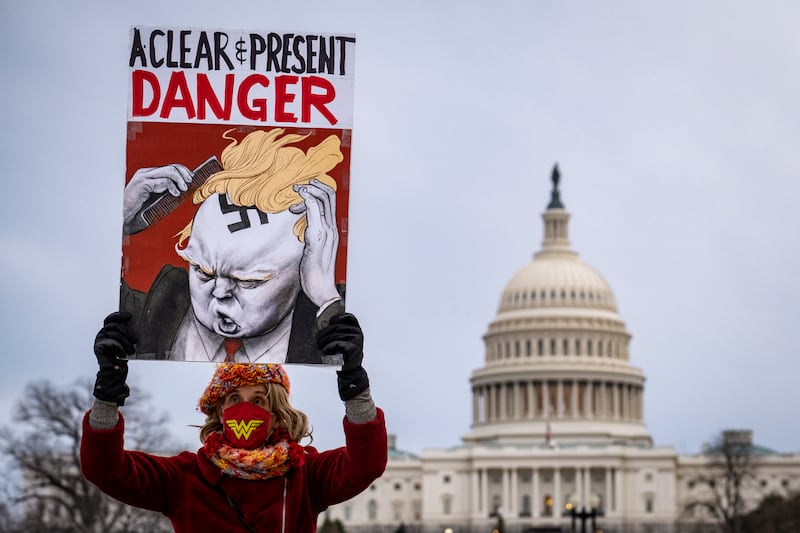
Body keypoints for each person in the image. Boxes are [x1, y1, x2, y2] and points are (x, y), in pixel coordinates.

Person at [81, 310, 386, 532]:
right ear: (218, 412)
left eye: (258, 400)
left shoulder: (304, 474)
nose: (245, 410)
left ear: (277, 412)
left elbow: (366, 464)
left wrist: (354, 384)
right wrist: (108, 391)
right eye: (234, 399)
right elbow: (105, 469)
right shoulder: (185, 477)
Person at [120, 128, 345, 364]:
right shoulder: (154, 311)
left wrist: (325, 298)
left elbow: (349, 382)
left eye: (249, 281)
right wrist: (119, 222)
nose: (219, 293)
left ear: (304, 270)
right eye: (202, 272)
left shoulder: (332, 323)